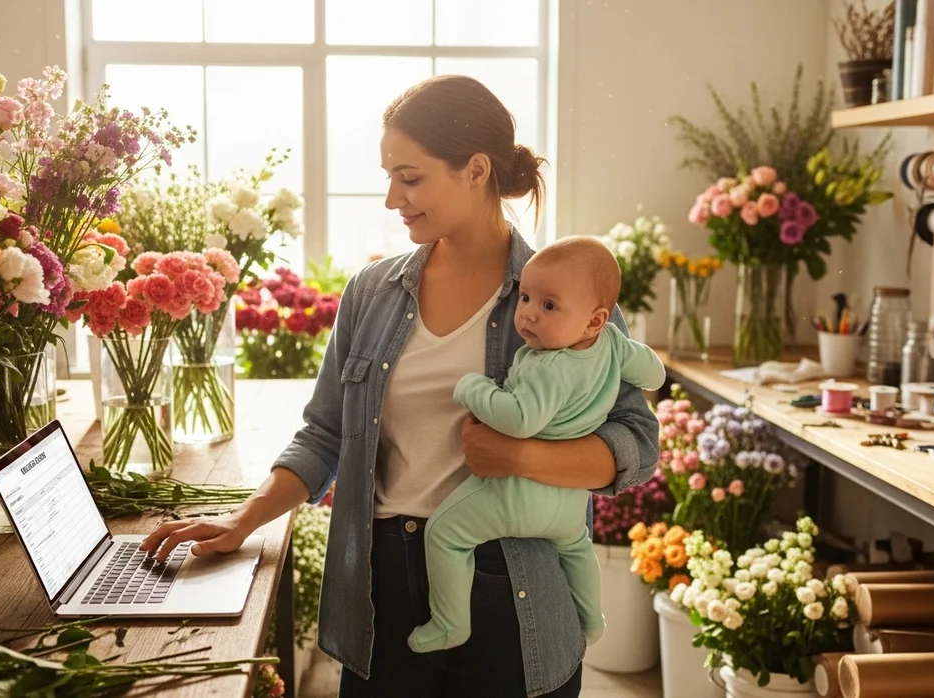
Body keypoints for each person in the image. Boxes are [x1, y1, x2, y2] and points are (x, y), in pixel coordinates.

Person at [140, 74, 660, 698]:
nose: (392, 198)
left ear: (475, 169)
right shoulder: (372, 293)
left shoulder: (564, 294)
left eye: (409, 178)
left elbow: (637, 444)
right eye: (389, 176)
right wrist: (242, 520)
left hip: (511, 588)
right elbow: (326, 433)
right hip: (382, 585)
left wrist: (525, 455)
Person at [408, 236, 666, 654]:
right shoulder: (614, 346)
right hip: (566, 504)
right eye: (526, 297)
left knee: (446, 533)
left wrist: (473, 389)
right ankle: (593, 619)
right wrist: (635, 359)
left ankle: (450, 623)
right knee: (578, 548)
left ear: (595, 320)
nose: (527, 314)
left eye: (549, 306)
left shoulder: (547, 368)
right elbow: (653, 372)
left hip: (518, 498)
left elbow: (521, 419)